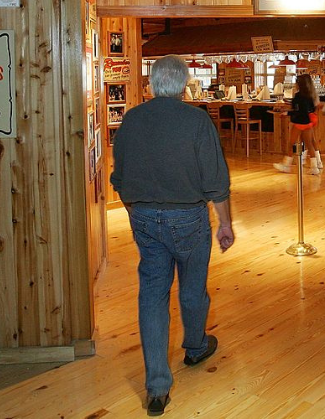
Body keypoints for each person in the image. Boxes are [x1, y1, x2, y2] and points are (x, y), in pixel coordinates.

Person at [110, 55, 235, 417]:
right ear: (183, 85)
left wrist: (136, 210)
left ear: (151, 83)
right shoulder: (196, 120)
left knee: (152, 294)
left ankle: (157, 387)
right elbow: (216, 180)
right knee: (193, 287)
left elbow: (120, 178)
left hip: (144, 216)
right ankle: (195, 347)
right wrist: (225, 224)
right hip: (189, 218)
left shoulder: (132, 119)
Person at [274, 73, 322, 175]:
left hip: (298, 123)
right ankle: (314, 167)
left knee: (291, 144)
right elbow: (312, 109)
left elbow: (297, 110)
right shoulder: (310, 96)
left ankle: (286, 165)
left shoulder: (298, 96)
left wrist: (286, 112)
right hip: (308, 123)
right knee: (310, 145)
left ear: (299, 84)